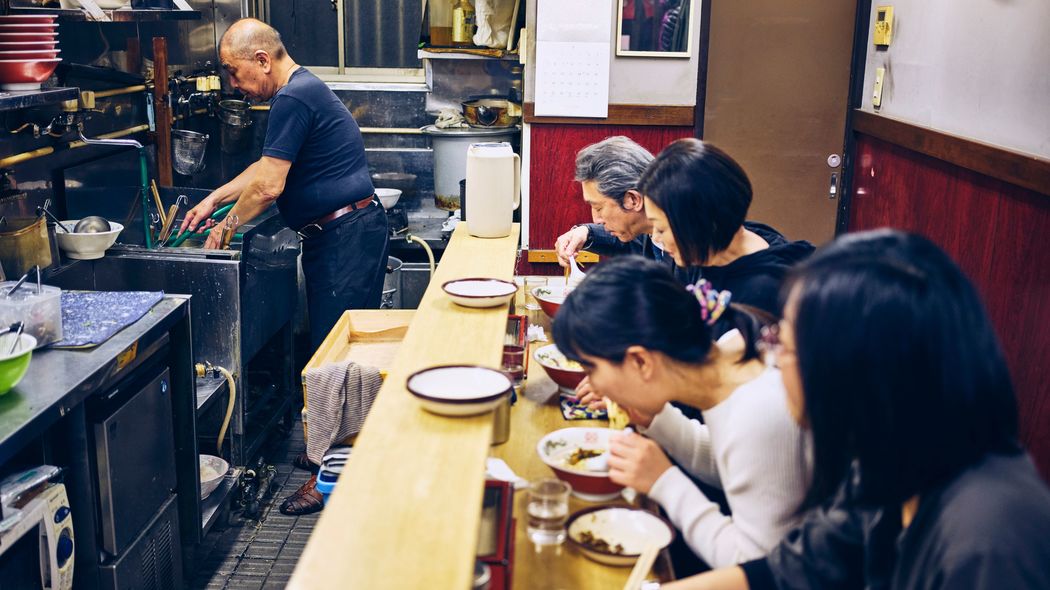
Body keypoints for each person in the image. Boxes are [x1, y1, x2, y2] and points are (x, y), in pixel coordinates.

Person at [662, 230, 1050, 590]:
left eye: (785, 346)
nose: (774, 362)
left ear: (853, 369)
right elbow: (789, 569)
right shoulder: (890, 461)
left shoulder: (988, 538)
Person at [180, 18, 389, 515]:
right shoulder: (298, 91)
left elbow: (270, 188)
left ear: (262, 60)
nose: (234, 84)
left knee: (334, 361)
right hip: (339, 236)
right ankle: (327, 451)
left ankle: (329, 477)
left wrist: (224, 230)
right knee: (328, 355)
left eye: (234, 72)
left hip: (346, 238)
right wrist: (214, 200)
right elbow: (264, 170)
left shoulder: (293, 97)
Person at [552, 256, 811, 568]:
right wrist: (659, 422)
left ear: (641, 362)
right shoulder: (730, 351)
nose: (591, 383)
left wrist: (664, 481)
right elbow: (733, 465)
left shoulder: (758, 412)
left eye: (590, 368)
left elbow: (758, 568)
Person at [638, 138, 814, 315]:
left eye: (661, 229)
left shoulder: (763, 292)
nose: (656, 237)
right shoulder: (705, 253)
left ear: (698, 222)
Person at [553, 136, 679, 270]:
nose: (596, 220)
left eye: (598, 207)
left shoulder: (693, 247)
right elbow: (631, 241)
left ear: (633, 199)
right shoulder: (649, 229)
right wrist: (585, 232)